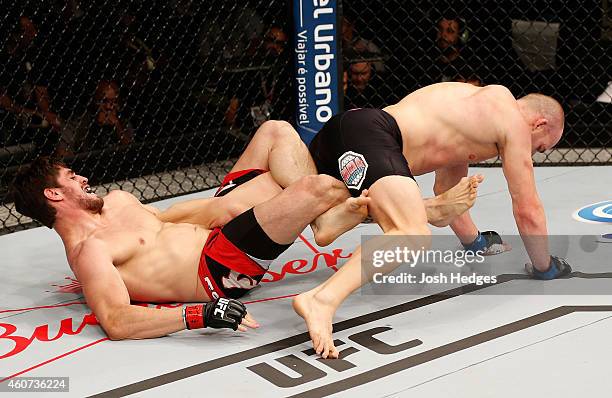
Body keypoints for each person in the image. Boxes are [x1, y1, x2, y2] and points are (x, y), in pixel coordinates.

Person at [10, 118, 479, 341]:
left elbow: (165, 222)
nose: (83, 178)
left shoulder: (118, 201)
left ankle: (329, 220)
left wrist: (230, 204)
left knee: (276, 131)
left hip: (216, 232)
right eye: (72, 179)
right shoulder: (90, 251)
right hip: (218, 268)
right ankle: (348, 214)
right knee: (317, 186)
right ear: (54, 197)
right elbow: (115, 321)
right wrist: (197, 317)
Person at [262, 82, 570, 358]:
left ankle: (231, 240)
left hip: (347, 130)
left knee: (299, 206)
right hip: (376, 138)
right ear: (539, 123)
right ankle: (322, 300)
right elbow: (528, 208)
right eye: (540, 146)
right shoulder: (513, 122)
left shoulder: (475, 106)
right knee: (411, 233)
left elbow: (447, 190)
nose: (535, 153)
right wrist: (545, 265)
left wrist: (474, 242)